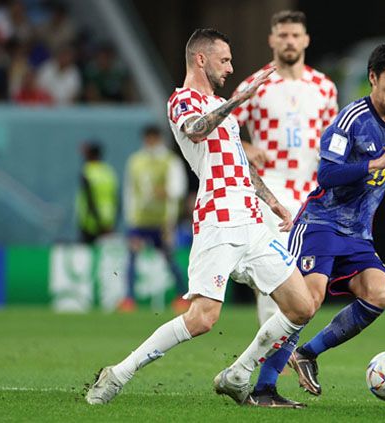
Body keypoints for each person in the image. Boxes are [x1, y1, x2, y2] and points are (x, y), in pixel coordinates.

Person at [86, 28, 315, 406]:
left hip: (253, 220)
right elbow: (195, 130)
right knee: (202, 319)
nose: (230, 67)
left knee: (301, 305)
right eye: (224, 59)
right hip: (218, 220)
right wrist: (236, 102)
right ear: (201, 59)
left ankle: (239, 374)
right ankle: (117, 374)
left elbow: (238, 162)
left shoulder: (220, 108)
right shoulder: (182, 101)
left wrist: (272, 201)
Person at [246, 43, 385, 405]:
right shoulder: (350, 120)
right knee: (307, 301)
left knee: (380, 293)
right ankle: (263, 388)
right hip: (321, 222)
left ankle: (308, 353)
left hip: (358, 232)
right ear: (373, 78)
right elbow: (326, 175)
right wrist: (374, 163)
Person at [231, 11, 337, 334]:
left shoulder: (324, 87)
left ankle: (285, 345)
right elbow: (224, 128)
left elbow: (333, 138)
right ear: (272, 40)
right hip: (271, 190)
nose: (289, 41)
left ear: (305, 40)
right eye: (283, 35)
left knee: (306, 278)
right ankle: (271, 352)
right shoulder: (255, 84)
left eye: (295, 35)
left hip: (311, 192)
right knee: (273, 271)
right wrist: (248, 149)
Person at [120, 125, 186, 313]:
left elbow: (178, 188)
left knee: (168, 259)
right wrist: (130, 217)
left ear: (158, 139)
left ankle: (182, 295)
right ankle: (129, 298)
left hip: (162, 220)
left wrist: (165, 193)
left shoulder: (169, 161)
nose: (149, 142)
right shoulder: (135, 161)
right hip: (139, 220)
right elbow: (129, 190)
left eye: (152, 138)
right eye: (147, 139)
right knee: (132, 257)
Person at [75, 141, 117, 244]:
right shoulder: (109, 172)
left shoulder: (87, 172)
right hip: (108, 222)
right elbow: (116, 198)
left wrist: (98, 223)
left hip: (89, 224)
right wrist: (110, 224)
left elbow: (90, 200)